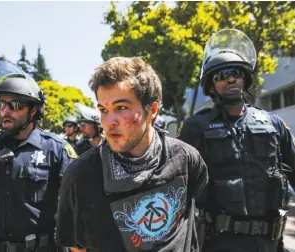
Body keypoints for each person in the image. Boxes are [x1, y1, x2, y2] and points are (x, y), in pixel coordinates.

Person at [56, 57, 208, 252]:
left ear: (152, 110)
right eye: (103, 109)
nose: (109, 121)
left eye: (121, 108)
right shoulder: (80, 175)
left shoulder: (186, 159)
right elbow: (76, 247)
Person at [177, 29, 295, 252]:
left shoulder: (274, 124)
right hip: (219, 243)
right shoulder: (195, 127)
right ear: (211, 85)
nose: (230, 78)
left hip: (271, 243)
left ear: (245, 77)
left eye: (235, 72)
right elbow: (179, 191)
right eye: (221, 75)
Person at [0, 61, 77, 252]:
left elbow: (77, 212)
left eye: (15, 105)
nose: (6, 111)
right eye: (2, 104)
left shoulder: (56, 150)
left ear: (33, 110)